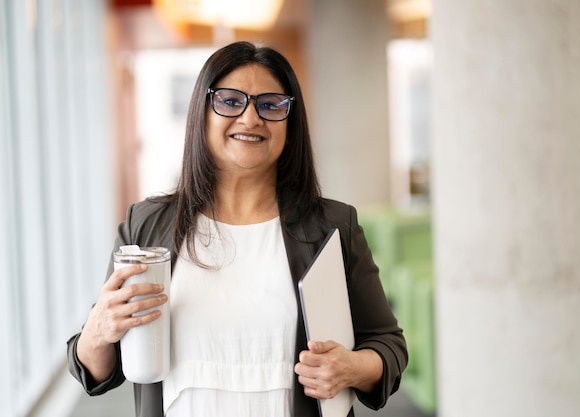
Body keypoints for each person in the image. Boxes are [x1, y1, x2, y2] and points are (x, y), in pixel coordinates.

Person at [67, 41, 407, 417]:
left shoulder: (332, 227)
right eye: (230, 101)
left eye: (270, 105)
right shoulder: (147, 225)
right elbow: (98, 370)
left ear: (290, 127)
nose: (250, 118)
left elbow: (387, 344)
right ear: (202, 114)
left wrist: (351, 368)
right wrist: (96, 332)